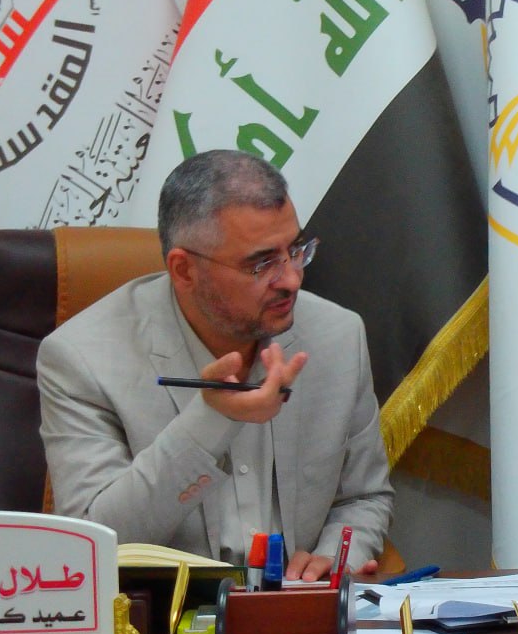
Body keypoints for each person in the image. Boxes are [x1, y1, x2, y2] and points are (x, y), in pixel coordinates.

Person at [38, 150, 394, 581]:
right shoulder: (81, 359)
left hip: (299, 608)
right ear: (184, 270)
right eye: (262, 263)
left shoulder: (337, 336)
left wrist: (335, 561)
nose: (291, 279)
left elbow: (363, 498)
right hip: (164, 615)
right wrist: (211, 419)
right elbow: (97, 543)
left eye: (296, 250)